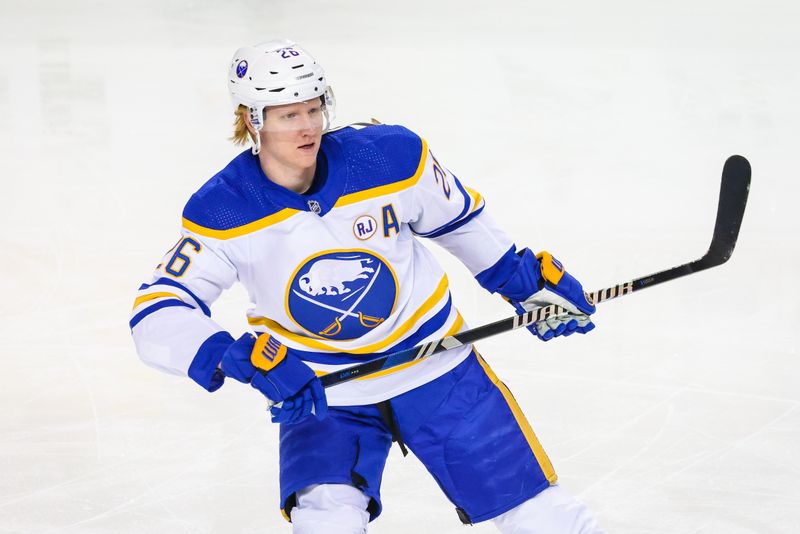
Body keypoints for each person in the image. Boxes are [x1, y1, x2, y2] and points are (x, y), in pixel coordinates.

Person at [130, 39, 605, 534]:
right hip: (324, 397)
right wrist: (236, 357)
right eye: (289, 115)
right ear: (252, 119)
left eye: (314, 108)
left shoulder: (389, 158)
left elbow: (461, 223)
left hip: (440, 371)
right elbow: (156, 314)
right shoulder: (224, 210)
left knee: (540, 516)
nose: (309, 126)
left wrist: (522, 280)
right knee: (325, 524)